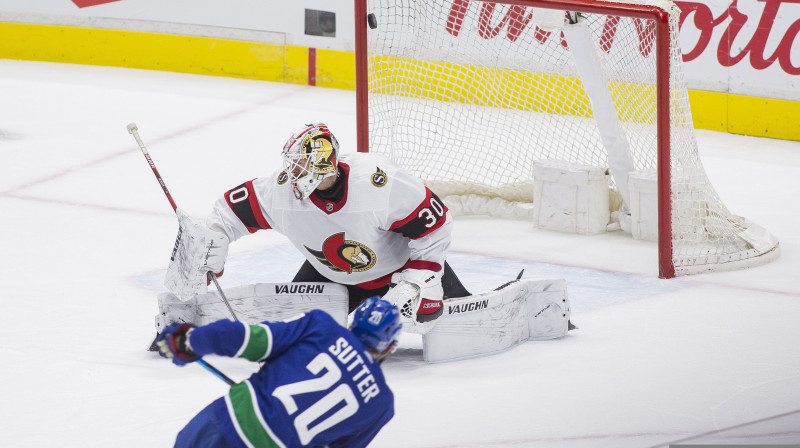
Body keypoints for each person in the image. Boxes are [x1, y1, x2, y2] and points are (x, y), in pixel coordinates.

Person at [200, 122, 470, 332]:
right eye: (292, 165)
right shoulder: (280, 192)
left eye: (301, 164)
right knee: (292, 336)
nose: (293, 173)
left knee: (458, 323)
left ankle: (454, 301)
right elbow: (229, 211)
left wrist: (424, 278)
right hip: (333, 275)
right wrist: (211, 245)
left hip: (398, 274)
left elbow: (435, 226)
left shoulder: (379, 183)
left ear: (323, 162)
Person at [156, 296, 402, 448]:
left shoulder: (321, 326)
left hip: (224, 421)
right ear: (389, 346)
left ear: (352, 323)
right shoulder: (381, 405)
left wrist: (189, 341)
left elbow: (249, 339)